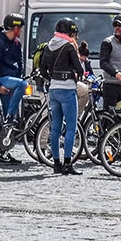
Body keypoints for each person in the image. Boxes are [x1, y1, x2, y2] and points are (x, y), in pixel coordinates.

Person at [39, 18, 85, 175]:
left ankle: (56, 164)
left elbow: (43, 70)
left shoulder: (48, 46)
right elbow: (79, 68)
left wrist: (53, 78)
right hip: (67, 89)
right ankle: (67, 163)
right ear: (69, 32)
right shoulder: (69, 46)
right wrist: (79, 74)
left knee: (55, 128)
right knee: (71, 127)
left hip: (53, 90)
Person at [0, 15, 27, 162]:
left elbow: (20, 63)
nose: (21, 31)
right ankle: (9, 116)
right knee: (23, 85)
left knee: (10, 122)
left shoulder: (16, 43)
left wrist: (19, 76)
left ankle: (4, 154)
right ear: (15, 28)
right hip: (1, 81)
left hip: (11, 82)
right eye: (20, 28)